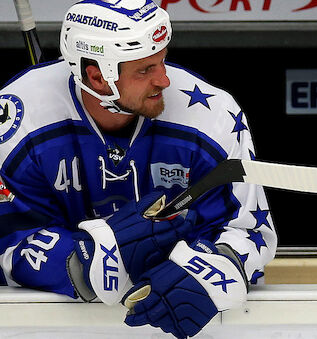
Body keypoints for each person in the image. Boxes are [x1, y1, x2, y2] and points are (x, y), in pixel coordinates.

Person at [0, 0, 276, 338]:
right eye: (145, 70)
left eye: (162, 60)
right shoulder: (18, 121)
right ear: (97, 76)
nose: (164, 79)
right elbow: (9, 237)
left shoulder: (213, 115)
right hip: (51, 326)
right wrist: (79, 262)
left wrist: (211, 270)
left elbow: (247, 230)